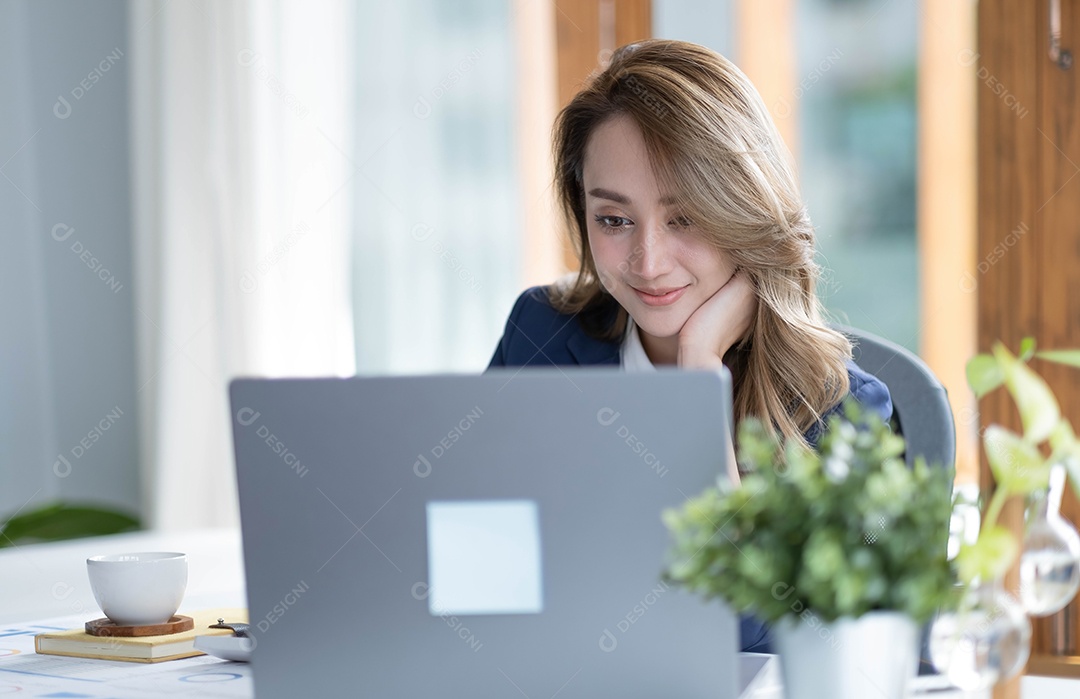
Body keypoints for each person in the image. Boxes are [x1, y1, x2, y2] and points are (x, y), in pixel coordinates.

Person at [486, 39, 892, 653]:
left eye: (687, 218)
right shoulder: (541, 333)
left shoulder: (841, 412)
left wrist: (699, 377)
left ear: (744, 213)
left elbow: (760, 641)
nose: (648, 263)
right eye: (614, 220)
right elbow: (478, 558)